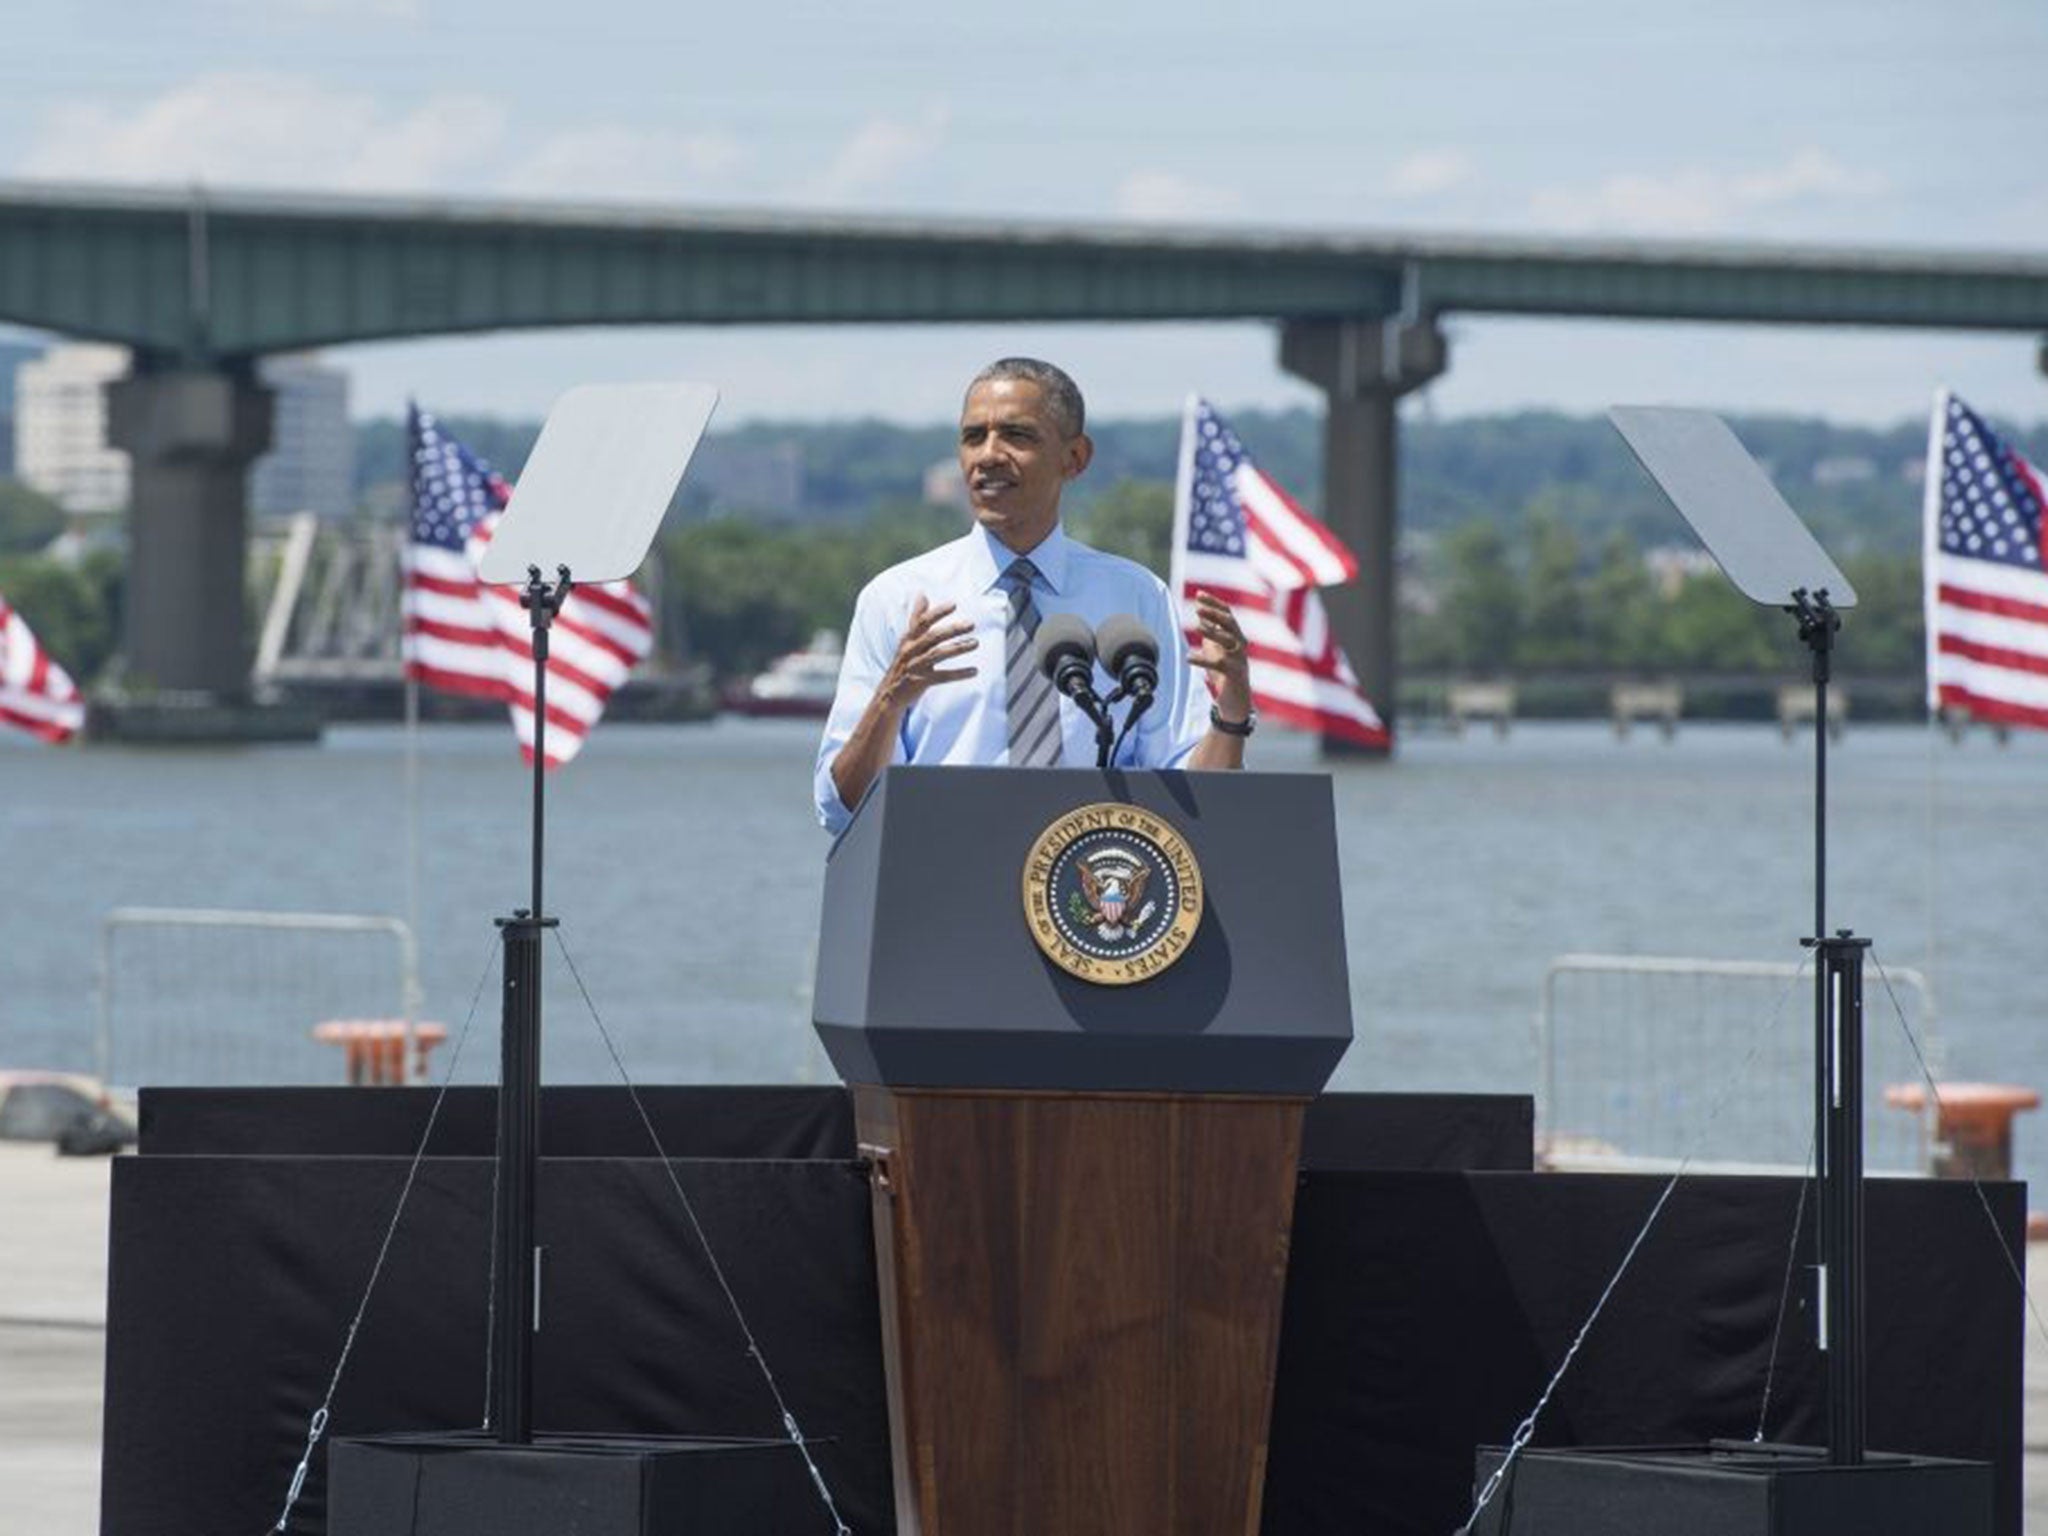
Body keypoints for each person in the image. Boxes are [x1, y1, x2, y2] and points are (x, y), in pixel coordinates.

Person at [813, 357, 1254, 833]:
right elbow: (840, 809)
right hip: (940, 888)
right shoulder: (897, 599)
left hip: (1094, 894)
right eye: (973, 436)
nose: (988, 455)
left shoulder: (1137, 597)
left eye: (1017, 436)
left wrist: (1231, 716)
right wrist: (889, 701)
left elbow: (1194, 803)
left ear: (1075, 458)